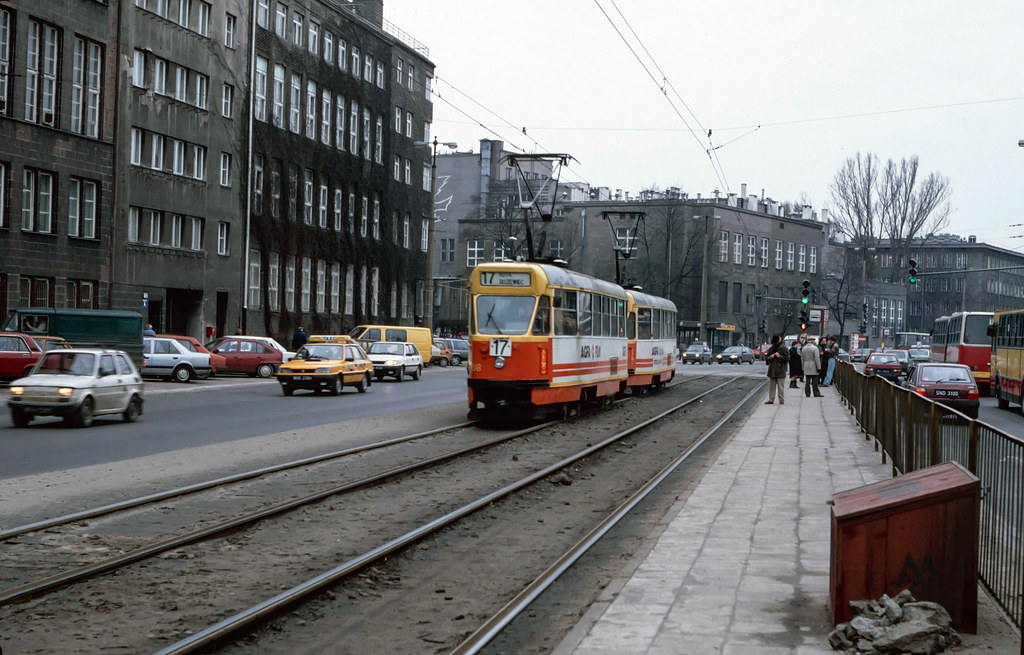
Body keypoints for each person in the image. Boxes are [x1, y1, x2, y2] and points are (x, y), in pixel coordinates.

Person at [764, 334, 789, 405]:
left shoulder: (784, 348)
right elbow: (766, 359)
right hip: (772, 370)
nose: (780, 340)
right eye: (779, 339)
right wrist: (769, 358)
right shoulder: (771, 348)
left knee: (781, 386)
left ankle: (781, 399)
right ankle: (771, 399)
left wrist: (779, 356)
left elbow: (787, 358)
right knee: (772, 386)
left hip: (781, 370)